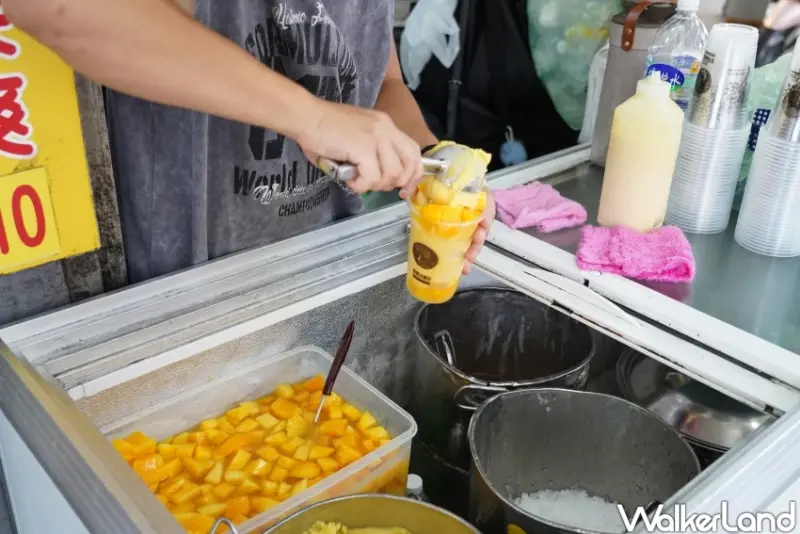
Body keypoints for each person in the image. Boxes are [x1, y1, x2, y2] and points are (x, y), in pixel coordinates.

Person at [4, 0, 495, 297]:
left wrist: (437, 160)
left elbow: (382, 81)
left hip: (320, 272)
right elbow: (60, 11)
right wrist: (312, 117)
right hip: (181, 290)